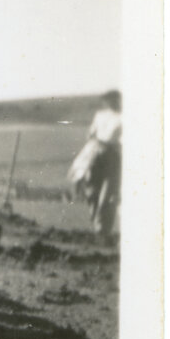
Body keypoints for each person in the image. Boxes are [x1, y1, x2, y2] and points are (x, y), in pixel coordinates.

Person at [69, 89, 121, 239]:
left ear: (118, 100)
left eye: (113, 99)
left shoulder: (124, 117)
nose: (110, 102)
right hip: (95, 152)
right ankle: (95, 224)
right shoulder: (100, 115)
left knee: (108, 193)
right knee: (91, 190)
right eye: (108, 100)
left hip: (112, 154)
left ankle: (102, 230)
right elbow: (91, 134)